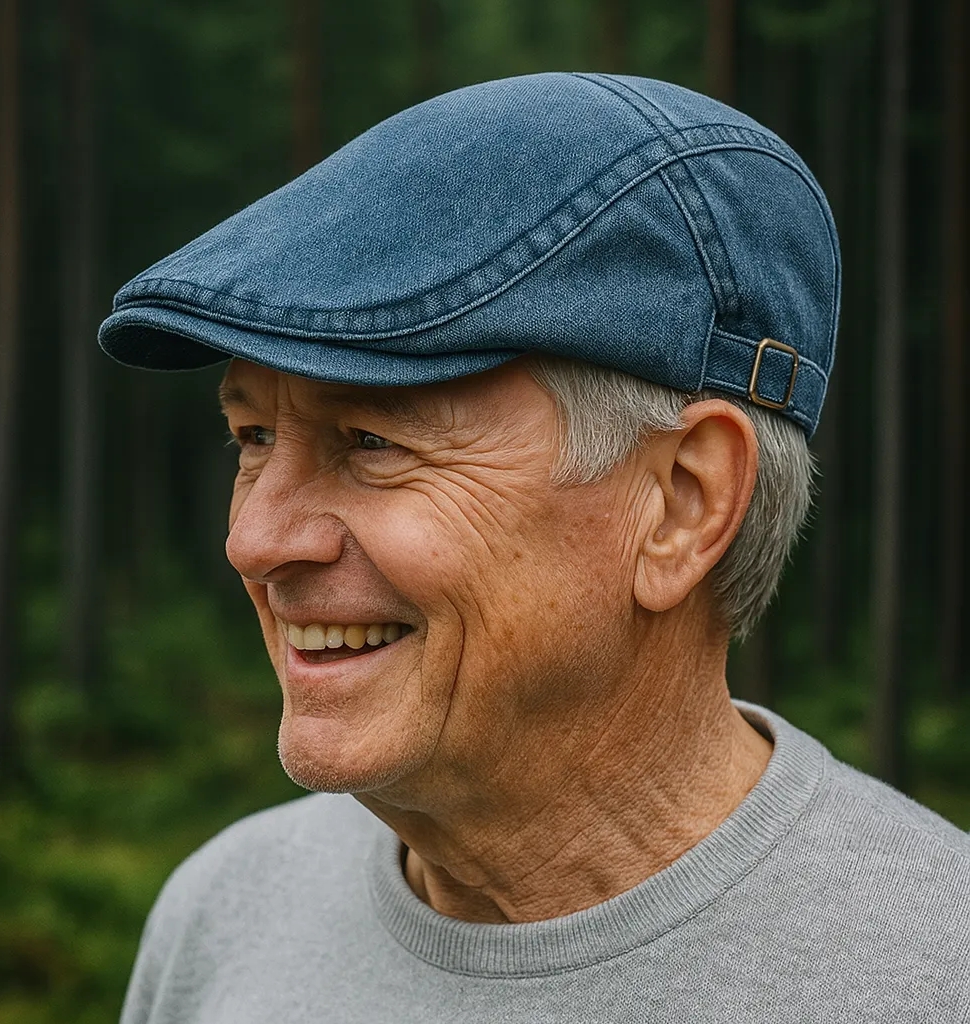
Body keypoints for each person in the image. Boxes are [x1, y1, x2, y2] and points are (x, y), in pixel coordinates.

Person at [99, 73, 969, 1023]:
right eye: (253, 439)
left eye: (373, 444)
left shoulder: (931, 974)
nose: (255, 539)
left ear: (682, 503)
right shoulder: (226, 913)